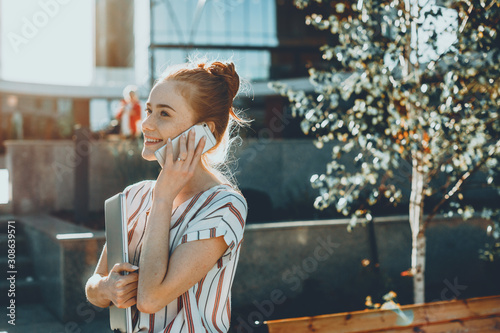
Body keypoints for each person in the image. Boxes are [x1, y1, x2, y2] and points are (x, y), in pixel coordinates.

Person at [85, 59, 252, 332]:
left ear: (204, 132)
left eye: (164, 114)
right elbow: (93, 286)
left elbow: (151, 298)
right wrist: (107, 287)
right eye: (149, 110)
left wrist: (162, 198)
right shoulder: (133, 196)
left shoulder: (225, 207)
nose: (146, 124)